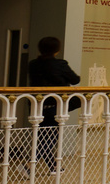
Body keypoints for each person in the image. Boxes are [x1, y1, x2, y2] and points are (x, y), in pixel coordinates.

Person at [28, 36, 81, 170]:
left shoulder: (33, 64)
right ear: (57, 50)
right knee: (50, 137)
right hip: (55, 105)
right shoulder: (60, 64)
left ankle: (53, 166)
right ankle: (28, 165)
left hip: (37, 105)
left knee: (43, 136)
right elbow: (75, 80)